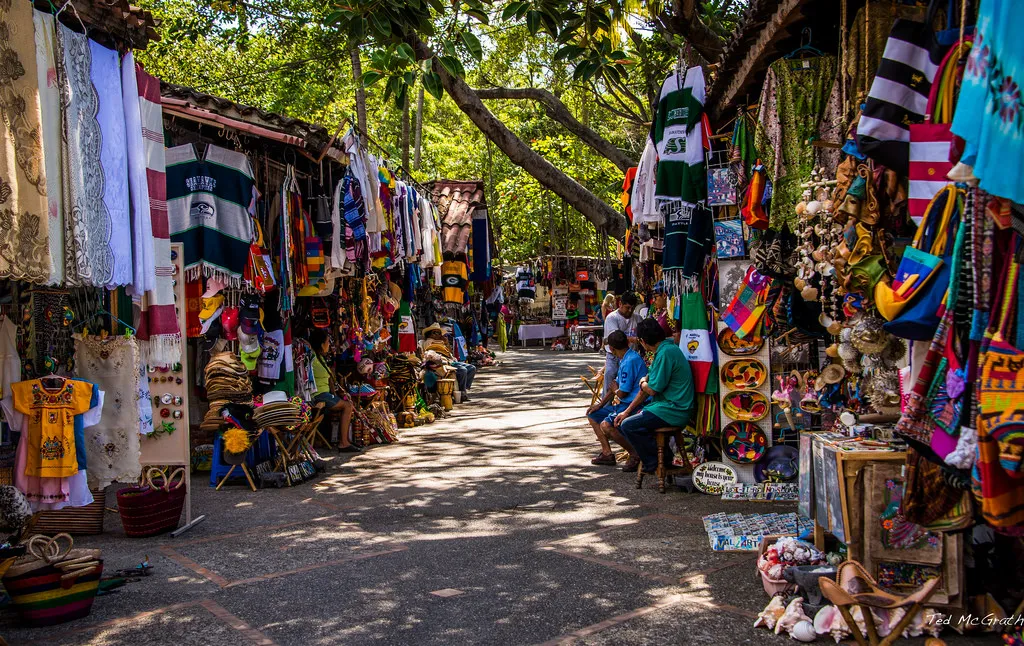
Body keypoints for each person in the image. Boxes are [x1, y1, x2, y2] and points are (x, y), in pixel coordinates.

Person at [614, 317, 694, 474]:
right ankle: (663, 458)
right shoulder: (663, 351)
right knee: (629, 421)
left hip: (675, 409)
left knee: (629, 425)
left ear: (643, 341)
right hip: (666, 407)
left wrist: (643, 383)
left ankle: (654, 462)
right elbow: (646, 389)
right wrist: (627, 411)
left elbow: (651, 389)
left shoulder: (666, 353)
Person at [585, 330, 646, 466]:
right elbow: (614, 387)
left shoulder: (630, 361)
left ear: (611, 349)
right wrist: (599, 405)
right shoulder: (626, 358)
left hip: (633, 405)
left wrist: (615, 390)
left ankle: (634, 453)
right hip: (624, 403)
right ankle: (607, 453)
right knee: (593, 415)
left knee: (606, 425)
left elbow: (621, 392)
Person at [307, 328, 360, 453]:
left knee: (348, 403)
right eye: (327, 342)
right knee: (347, 406)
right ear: (321, 344)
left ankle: (344, 440)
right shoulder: (313, 358)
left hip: (324, 393)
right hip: (318, 395)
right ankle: (344, 442)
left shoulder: (320, 358)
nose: (329, 345)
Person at [420, 323, 477, 401]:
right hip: (442, 362)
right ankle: (462, 392)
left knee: (472, 368)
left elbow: (450, 353)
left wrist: (446, 343)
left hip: (450, 360)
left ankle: (463, 389)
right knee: (462, 370)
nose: (438, 335)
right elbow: (431, 354)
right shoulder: (429, 342)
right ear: (430, 334)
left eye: (439, 333)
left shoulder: (441, 342)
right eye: (435, 332)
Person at [601, 292, 639, 397]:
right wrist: (634, 339)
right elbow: (616, 338)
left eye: (632, 308)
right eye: (627, 308)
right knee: (610, 377)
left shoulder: (637, 318)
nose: (630, 311)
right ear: (620, 304)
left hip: (631, 357)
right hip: (614, 357)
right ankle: (605, 407)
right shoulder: (612, 318)